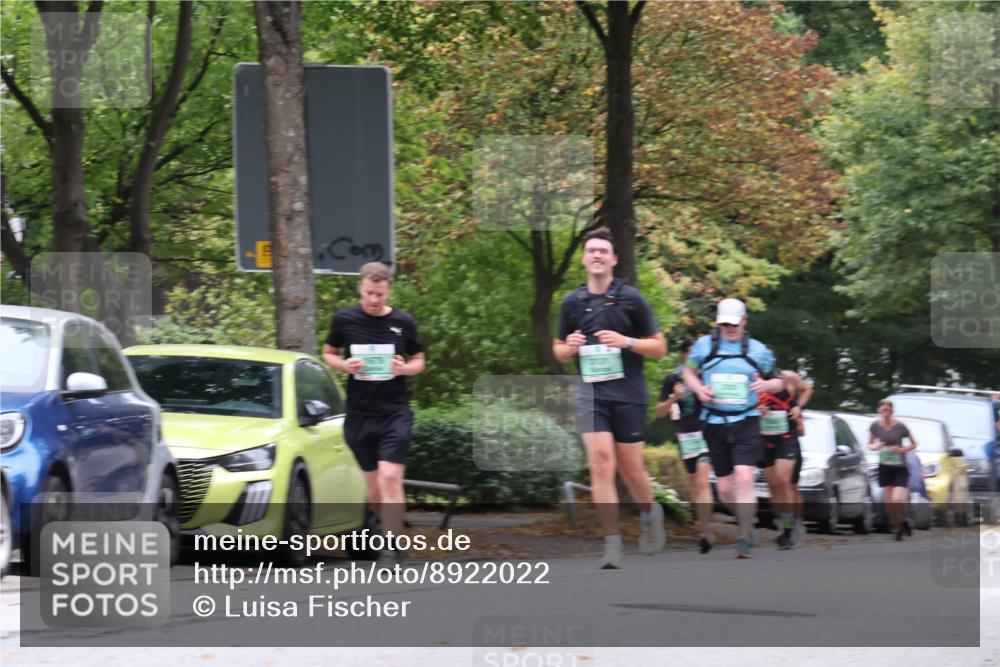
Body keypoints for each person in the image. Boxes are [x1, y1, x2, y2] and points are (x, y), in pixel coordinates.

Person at [553, 227, 667, 569]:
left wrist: (627, 341)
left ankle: (650, 515)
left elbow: (660, 348)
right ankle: (612, 545)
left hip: (629, 394)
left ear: (614, 259)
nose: (597, 255)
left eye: (603, 250)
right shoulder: (572, 302)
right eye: (592, 250)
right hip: (591, 394)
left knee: (632, 471)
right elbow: (558, 350)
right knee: (601, 463)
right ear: (585, 258)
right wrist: (567, 348)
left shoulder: (632, 298)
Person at [322, 261, 426, 567]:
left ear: (388, 290)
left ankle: (391, 548)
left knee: (391, 477)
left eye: (380, 294)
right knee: (375, 489)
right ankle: (387, 534)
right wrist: (343, 365)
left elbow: (419, 359)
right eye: (369, 293)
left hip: (394, 412)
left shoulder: (403, 323)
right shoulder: (345, 320)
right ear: (361, 288)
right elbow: (329, 352)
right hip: (359, 414)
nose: (374, 300)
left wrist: (403, 368)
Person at [683, 298, 785, 558]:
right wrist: (698, 389)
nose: (729, 328)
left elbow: (780, 381)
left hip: (746, 420)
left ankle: (743, 537)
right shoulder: (705, 346)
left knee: (744, 476)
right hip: (714, 422)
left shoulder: (759, 351)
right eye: (724, 323)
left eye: (734, 324)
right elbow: (688, 372)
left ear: (744, 321)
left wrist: (767, 386)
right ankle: (746, 524)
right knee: (726, 488)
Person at [656, 341, 714, 554]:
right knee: (695, 485)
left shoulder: (709, 375)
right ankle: (704, 526)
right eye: (692, 354)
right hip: (686, 437)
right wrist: (673, 398)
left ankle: (705, 532)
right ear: (683, 356)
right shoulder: (673, 378)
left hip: (707, 432)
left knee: (702, 480)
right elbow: (659, 412)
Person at [756, 375, 806, 550]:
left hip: (786, 440)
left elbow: (797, 404)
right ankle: (784, 525)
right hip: (764, 442)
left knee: (784, 481)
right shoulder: (749, 393)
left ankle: (791, 528)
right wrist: (757, 411)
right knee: (773, 485)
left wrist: (797, 410)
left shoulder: (781, 388)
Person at [868, 399, 918, 541]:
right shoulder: (875, 426)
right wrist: (876, 447)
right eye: (883, 410)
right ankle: (897, 526)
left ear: (892, 411)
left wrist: (901, 449)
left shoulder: (900, 426)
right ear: (879, 411)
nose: (886, 413)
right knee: (889, 502)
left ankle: (904, 520)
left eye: (888, 410)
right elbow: (869, 444)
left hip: (899, 468)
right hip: (885, 467)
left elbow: (914, 444)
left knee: (897, 499)